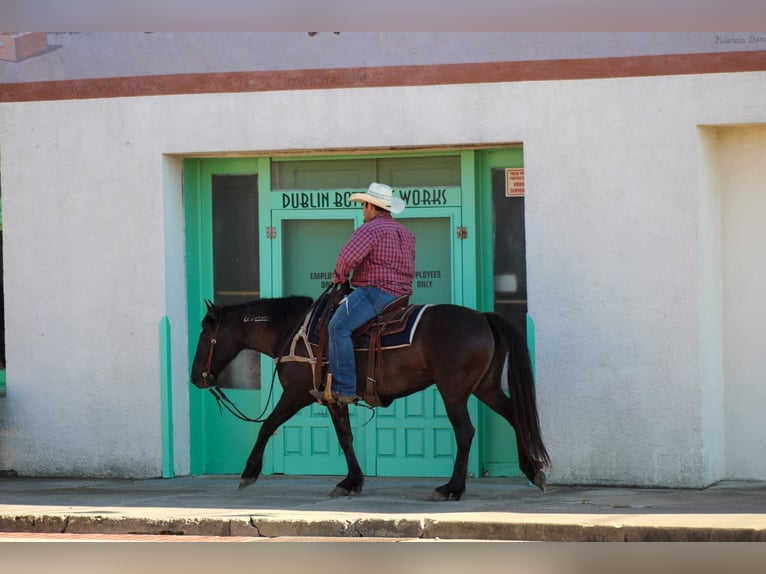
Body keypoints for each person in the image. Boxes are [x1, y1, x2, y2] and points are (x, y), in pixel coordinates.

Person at [310, 182, 416, 405]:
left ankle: (345, 388)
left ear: (370, 205)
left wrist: (339, 277)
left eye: (363, 206)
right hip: (401, 296)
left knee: (338, 327)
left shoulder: (369, 229)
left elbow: (347, 258)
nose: (362, 210)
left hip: (376, 292)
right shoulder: (406, 233)